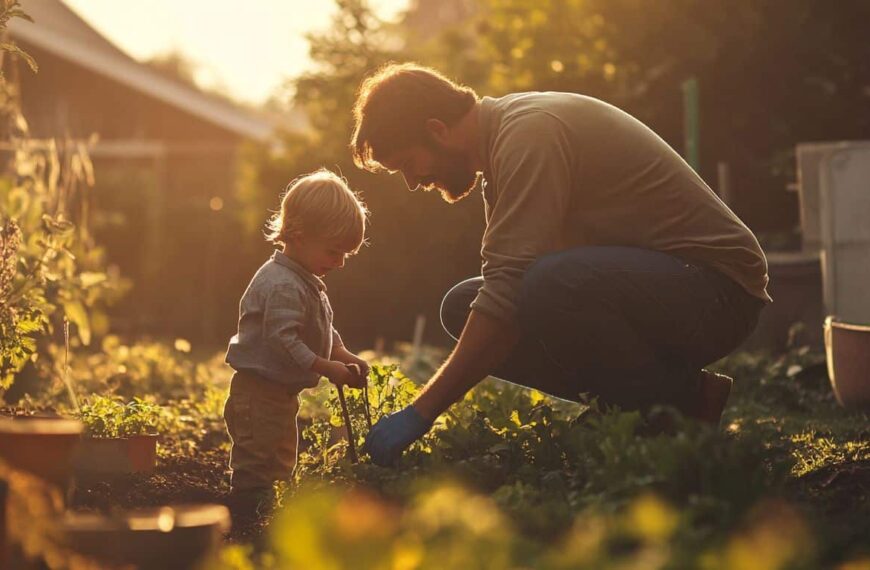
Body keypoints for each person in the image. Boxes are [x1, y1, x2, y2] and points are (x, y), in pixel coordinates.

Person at [351, 63, 770, 466]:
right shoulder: (502, 149)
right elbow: (505, 288)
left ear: (437, 131)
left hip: (719, 291)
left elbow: (512, 288)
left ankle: (652, 413)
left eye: (408, 164)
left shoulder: (529, 135)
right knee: (463, 306)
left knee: (551, 284)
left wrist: (421, 412)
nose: (413, 182)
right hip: (670, 288)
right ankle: (674, 400)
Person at [223, 169, 370, 515]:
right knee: (257, 458)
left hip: (278, 393)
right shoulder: (282, 285)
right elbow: (283, 340)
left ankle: (267, 510)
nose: (340, 262)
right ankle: (246, 517)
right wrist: (326, 367)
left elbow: (321, 329)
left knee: (280, 454)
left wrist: (342, 353)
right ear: (300, 236)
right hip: (257, 392)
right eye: (334, 252)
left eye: (346, 254)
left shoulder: (305, 280)